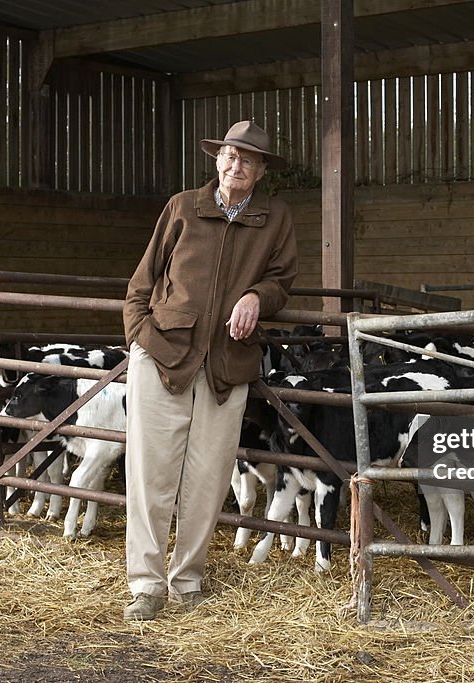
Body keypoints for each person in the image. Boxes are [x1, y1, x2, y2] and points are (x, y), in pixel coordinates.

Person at [122, 121, 298, 621]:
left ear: (261, 171)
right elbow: (144, 278)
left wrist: (255, 297)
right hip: (164, 352)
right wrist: (139, 332)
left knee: (209, 476)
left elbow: (283, 279)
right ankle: (146, 585)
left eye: (247, 159)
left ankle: (188, 579)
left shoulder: (275, 218)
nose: (235, 164)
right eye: (228, 155)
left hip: (227, 361)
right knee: (150, 473)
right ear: (216, 160)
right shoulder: (182, 207)